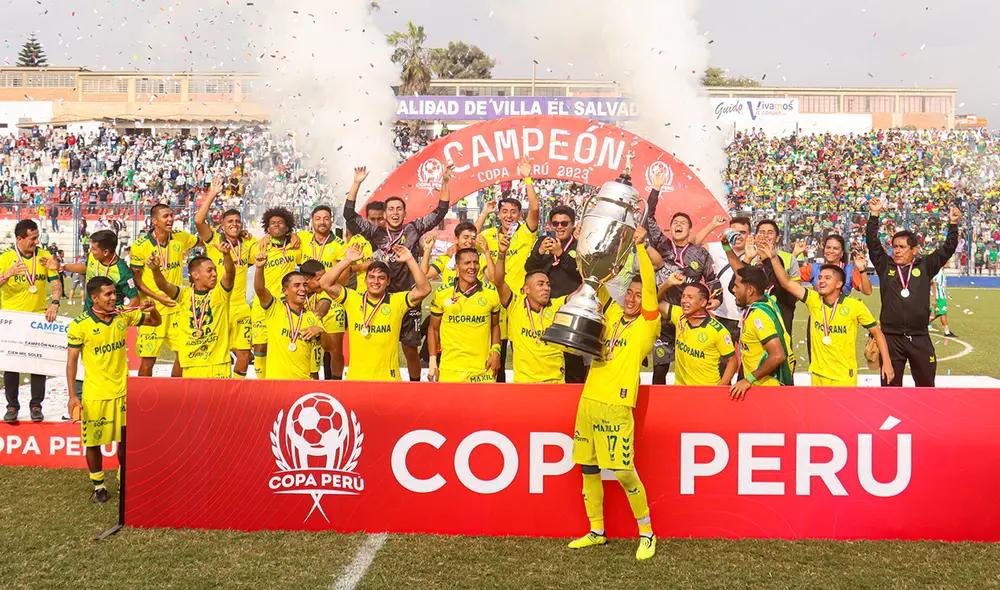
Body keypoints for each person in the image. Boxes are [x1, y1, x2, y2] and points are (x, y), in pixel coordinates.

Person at [568, 227, 659, 560]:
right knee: (588, 468)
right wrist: (586, 244)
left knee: (622, 471)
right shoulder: (613, 312)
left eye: (638, 294)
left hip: (618, 404)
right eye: (630, 293)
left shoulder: (649, 323)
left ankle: (647, 532)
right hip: (589, 400)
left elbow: (648, 286)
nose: (633, 298)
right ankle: (596, 530)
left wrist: (641, 248)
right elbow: (598, 280)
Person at [344, 165, 453, 382]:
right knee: (378, 343)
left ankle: (413, 388)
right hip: (380, 298)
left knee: (410, 348)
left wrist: (445, 182)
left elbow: (440, 211)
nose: (395, 213)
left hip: (408, 296)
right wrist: (356, 183)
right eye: (391, 209)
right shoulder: (375, 232)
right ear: (385, 214)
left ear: (404, 213)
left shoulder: (414, 228)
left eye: (399, 209)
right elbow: (349, 214)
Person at [66, 277, 161, 503]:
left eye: (114, 294)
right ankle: (98, 485)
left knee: (125, 440)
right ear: (94, 298)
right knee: (93, 442)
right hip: (96, 395)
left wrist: (154, 309)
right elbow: (71, 362)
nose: (113, 298)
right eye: (107, 294)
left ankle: (123, 479)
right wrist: (72, 396)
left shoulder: (122, 316)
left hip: (124, 391)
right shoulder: (79, 325)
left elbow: (154, 322)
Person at [759, 239, 893, 386]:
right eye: (820, 277)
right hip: (818, 375)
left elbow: (877, 333)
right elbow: (786, 283)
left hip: (844, 377)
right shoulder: (813, 299)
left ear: (839, 284)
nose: (821, 281)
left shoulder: (855, 306)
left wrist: (886, 363)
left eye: (827, 278)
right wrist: (773, 258)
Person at [865, 198, 959, 387]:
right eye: (894, 247)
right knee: (890, 389)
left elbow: (948, 248)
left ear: (914, 250)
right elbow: (873, 244)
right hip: (891, 338)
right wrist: (874, 215)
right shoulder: (885, 265)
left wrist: (954, 224)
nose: (897, 251)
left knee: (926, 388)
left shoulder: (926, 265)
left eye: (902, 247)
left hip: (919, 337)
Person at [645, 169, 721, 385]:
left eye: (683, 223)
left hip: (690, 320)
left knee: (690, 370)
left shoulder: (700, 253)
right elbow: (648, 218)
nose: (678, 225)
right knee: (659, 370)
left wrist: (717, 299)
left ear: (689, 230)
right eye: (675, 222)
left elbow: (713, 280)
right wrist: (655, 190)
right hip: (665, 320)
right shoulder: (663, 244)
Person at [320, 242, 432, 381]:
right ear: (366, 280)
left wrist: (410, 259)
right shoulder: (352, 299)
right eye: (371, 277)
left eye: (381, 278)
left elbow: (425, 289)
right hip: (357, 379)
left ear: (388, 281)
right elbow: (325, 283)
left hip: (389, 381)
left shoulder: (397, 301)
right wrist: (347, 260)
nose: (376, 282)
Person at [476, 157, 541, 382]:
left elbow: (535, 207)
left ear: (519, 215)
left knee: (524, 354)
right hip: (495, 303)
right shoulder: (488, 236)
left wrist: (527, 177)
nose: (509, 216)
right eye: (505, 212)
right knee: (496, 358)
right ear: (499, 214)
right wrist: (483, 213)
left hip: (520, 304)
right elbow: (467, 238)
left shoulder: (525, 233)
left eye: (513, 212)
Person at [195, 176, 257, 378]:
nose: (235, 224)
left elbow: (267, 245)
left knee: (244, 354)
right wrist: (212, 194)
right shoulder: (213, 241)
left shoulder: (247, 245)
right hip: (218, 306)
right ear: (222, 226)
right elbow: (198, 220)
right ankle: (218, 390)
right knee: (216, 352)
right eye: (230, 221)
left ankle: (236, 391)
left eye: (238, 221)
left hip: (240, 307)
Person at [129, 203, 201, 377]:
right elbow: (136, 282)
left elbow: (205, 238)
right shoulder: (140, 246)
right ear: (154, 221)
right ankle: (141, 402)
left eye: (171, 215)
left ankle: (176, 396)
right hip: (153, 311)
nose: (170, 219)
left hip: (177, 309)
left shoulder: (180, 237)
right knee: (148, 360)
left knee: (184, 355)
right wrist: (158, 297)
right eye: (165, 216)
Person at [1, 220, 61, 423]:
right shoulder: (6, 258)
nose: (37, 241)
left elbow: (56, 283)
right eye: (32, 238)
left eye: (37, 237)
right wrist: (7, 274)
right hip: (13, 319)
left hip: (38, 318)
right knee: (11, 365)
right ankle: (12, 406)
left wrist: (54, 303)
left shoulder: (44, 257)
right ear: (19, 238)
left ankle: (36, 405)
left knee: (38, 364)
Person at [147, 242, 236, 379]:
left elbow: (230, 273)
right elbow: (163, 285)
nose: (214, 274)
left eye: (215, 270)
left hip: (218, 363)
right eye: (209, 270)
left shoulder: (220, 294)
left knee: (219, 401)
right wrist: (155, 270)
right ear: (195, 275)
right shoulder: (184, 295)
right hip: (191, 363)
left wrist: (226, 254)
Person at [493, 233, 569, 382]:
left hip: (554, 382)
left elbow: (580, 292)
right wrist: (502, 254)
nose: (546, 288)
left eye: (548, 284)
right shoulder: (515, 304)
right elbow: (499, 282)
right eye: (540, 284)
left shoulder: (557, 305)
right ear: (526, 289)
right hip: (524, 384)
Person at [525, 205, 586, 382]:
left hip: (571, 308)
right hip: (548, 309)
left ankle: (574, 398)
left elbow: (582, 272)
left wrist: (561, 255)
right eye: (555, 223)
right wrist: (539, 252)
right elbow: (529, 269)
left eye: (564, 223)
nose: (559, 227)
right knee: (549, 354)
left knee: (573, 356)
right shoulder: (544, 241)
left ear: (573, 224)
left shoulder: (579, 243)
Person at [252, 247, 331, 381]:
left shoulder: (311, 317)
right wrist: (259, 268)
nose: (302, 289)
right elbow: (260, 290)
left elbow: (330, 347)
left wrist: (321, 331)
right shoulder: (274, 309)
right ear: (285, 290)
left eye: (305, 285)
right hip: (276, 384)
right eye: (297, 285)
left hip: (303, 385)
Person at [428, 249, 502, 383]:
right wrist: (433, 361)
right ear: (456, 267)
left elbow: (495, 325)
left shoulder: (491, 293)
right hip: (450, 369)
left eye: (475, 263)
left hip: (482, 369)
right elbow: (433, 328)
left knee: (482, 404)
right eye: (467, 263)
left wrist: (496, 351)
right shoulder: (442, 293)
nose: (472, 267)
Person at [723, 219, 801, 338]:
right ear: (755, 236)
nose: (765, 235)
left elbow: (793, 291)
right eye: (761, 232)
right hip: (754, 319)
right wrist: (747, 259)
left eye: (770, 232)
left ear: (777, 237)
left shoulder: (787, 258)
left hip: (780, 316)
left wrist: (767, 258)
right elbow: (733, 287)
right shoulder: (748, 256)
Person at [250, 207, 303, 379]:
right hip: (262, 303)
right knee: (260, 345)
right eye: (272, 223)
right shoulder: (260, 247)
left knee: (281, 343)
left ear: (288, 227)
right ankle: (261, 383)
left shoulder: (296, 247)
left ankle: (280, 379)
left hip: (283, 306)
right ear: (268, 228)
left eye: (281, 223)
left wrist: (296, 237)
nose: (277, 225)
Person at [297, 205, 348, 380]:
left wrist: (325, 287)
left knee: (334, 348)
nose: (322, 222)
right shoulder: (302, 239)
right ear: (311, 221)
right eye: (318, 218)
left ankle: (336, 384)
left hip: (332, 301)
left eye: (326, 218)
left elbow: (344, 278)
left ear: (331, 220)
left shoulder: (340, 245)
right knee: (306, 345)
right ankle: (309, 382)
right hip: (305, 299)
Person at [694, 215, 749, 374]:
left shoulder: (754, 252)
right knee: (720, 364)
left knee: (748, 362)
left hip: (746, 316)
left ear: (749, 235)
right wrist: (712, 224)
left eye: (743, 232)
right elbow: (693, 246)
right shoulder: (717, 248)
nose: (738, 236)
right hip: (722, 315)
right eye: (735, 231)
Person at [658, 277, 738, 386]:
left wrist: (720, 388)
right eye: (683, 296)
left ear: (703, 302)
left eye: (690, 297)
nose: (684, 300)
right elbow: (654, 301)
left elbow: (732, 362)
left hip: (706, 392)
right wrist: (668, 283)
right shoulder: (679, 316)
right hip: (681, 391)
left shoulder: (718, 331)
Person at [730, 265, 794, 397]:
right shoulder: (766, 301)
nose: (733, 290)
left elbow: (777, 355)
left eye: (736, 286)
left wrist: (749, 379)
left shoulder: (758, 317)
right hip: (761, 388)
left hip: (765, 391)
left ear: (750, 290)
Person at [795, 234, 872, 296]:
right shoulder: (814, 268)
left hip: (841, 314)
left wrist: (862, 269)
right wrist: (795, 254)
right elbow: (788, 276)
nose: (831, 251)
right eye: (828, 247)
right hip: (818, 314)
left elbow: (867, 291)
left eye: (835, 248)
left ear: (842, 252)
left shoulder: (849, 271)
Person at [422, 222, 494, 284]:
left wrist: (487, 251)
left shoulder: (480, 258)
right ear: (456, 239)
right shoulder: (446, 258)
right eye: (465, 237)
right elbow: (423, 275)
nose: (470, 241)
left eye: (473, 238)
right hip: (449, 299)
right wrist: (428, 249)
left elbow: (493, 278)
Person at [929, 262, 956, 337]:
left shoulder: (942, 272)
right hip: (939, 297)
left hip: (942, 297)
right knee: (943, 314)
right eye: (947, 262)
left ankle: (923, 324)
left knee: (938, 314)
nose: (948, 263)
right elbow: (934, 284)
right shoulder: (939, 273)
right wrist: (934, 299)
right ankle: (947, 332)